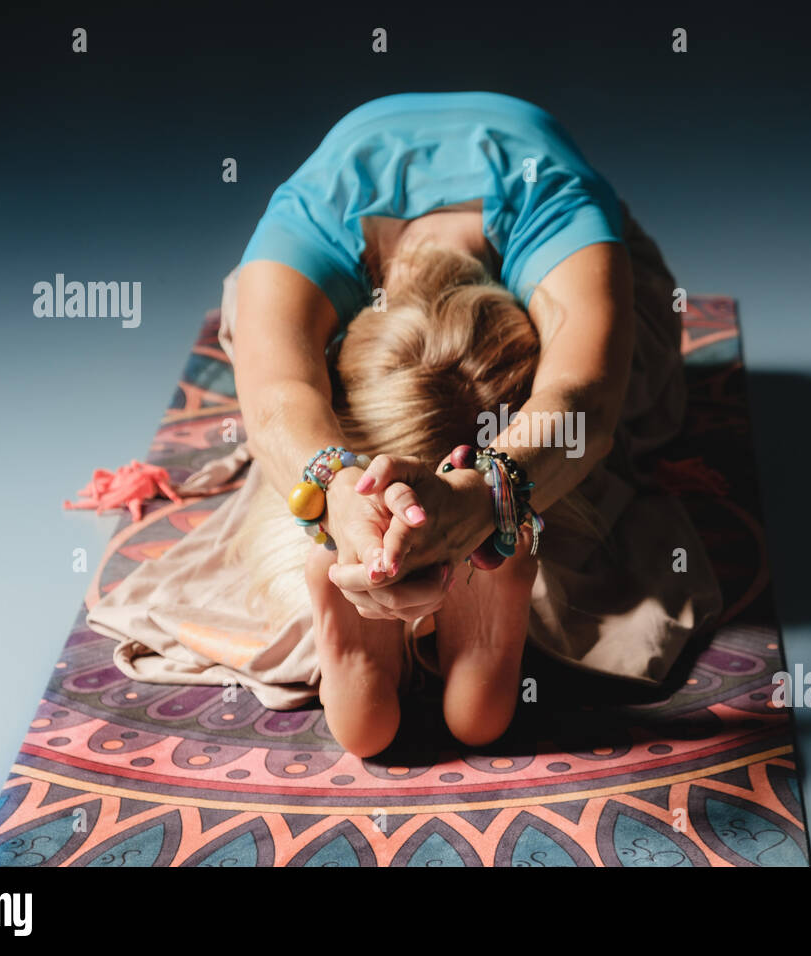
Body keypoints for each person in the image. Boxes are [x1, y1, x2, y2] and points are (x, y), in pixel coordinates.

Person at [217, 91, 721, 757]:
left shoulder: (557, 208)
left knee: (616, 364)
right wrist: (357, 490)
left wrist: (460, 491)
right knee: (609, 423)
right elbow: (279, 395)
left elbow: (584, 398)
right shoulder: (307, 228)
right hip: (379, 255)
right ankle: (490, 544)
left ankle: (365, 541)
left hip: (532, 189)